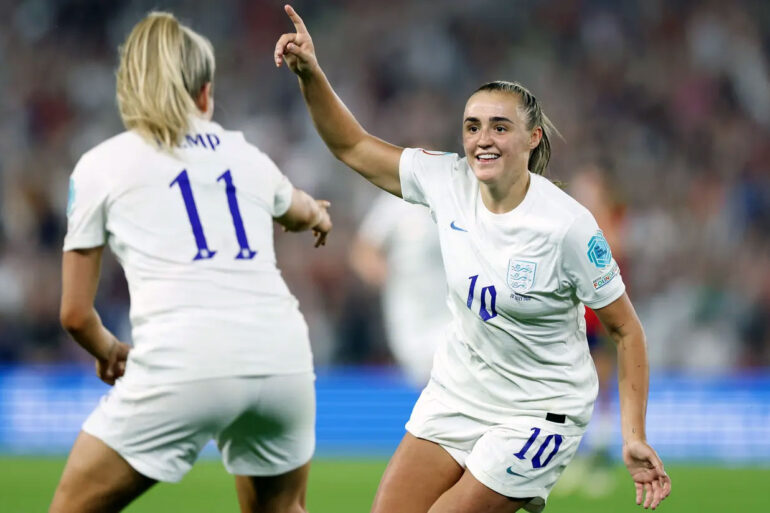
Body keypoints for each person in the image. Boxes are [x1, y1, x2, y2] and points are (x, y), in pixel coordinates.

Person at [274, 5, 671, 512]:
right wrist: (311, 73)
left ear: (533, 139)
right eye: (472, 125)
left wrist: (632, 433)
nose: (483, 138)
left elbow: (626, 330)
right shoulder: (447, 181)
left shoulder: (567, 226)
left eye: (500, 127)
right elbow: (351, 145)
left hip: (538, 410)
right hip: (458, 394)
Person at [51, 12, 331, 513]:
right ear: (205, 93)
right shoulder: (246, 154)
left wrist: (108, 350)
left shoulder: (101, 164)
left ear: (131, 88)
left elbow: (75, 314)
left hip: (187, 361)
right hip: (283, 357)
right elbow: (300, 208)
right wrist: (318, 218)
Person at [349, 191, 450, 387]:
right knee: (424, 374)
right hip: (410, 311)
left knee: (448, 371)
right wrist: (387, 278)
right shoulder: (395, 202)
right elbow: (363, 250)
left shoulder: (456, 193)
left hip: (451, 308)